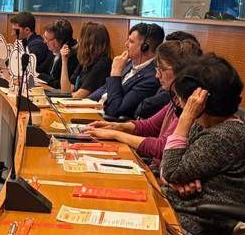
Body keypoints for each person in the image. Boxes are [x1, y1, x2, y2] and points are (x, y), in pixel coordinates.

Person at [159, 54, 245, 235]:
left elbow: (169, 170)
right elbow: (167, 168)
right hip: (178, 211)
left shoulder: (226, 136)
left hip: (195, 223)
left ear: (200, 102)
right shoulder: (205, 125)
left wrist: (185, 118)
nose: (179, 103)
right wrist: (173, 181)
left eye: (183, 99)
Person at [85, 39, 200, 168]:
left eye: (162, 69)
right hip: (157, 167)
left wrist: (115, 134)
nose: (157, 75)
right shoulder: (176, 99)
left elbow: (162, 147)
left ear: (181, 72)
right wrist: (115, 126)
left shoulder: (191, 105)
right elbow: (150, 125)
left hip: (161, 171)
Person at [91, 22, 164, 118]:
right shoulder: (128, 63)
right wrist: (85, 102)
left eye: (131, 41)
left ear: (145, 47)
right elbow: (105, 89)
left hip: (109, 120)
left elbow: (116, 111)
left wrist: (115, 74)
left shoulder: (151, 78)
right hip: (95, 112)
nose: (126, 44)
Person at [58, 21, 111, 98]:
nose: (78, 40)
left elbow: (79, 96)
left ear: (89, 42)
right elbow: (66, 91)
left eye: (81, 37)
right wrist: (64, 61)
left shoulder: (103, 63)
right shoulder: (85, 61)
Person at [10, 12, 51, 76]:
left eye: (16, 30)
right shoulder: (24, 42)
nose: (12, 34)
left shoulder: (37, 45)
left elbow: (23, 67)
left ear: (27, 30)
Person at [41, 19, 77, 87]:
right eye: (44, 37)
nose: (45, 42)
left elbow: (60, 84)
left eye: (48, 39)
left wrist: (41, 76)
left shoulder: (72, 56)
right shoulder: (53, 50)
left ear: (61, 40)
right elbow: (41, 70)